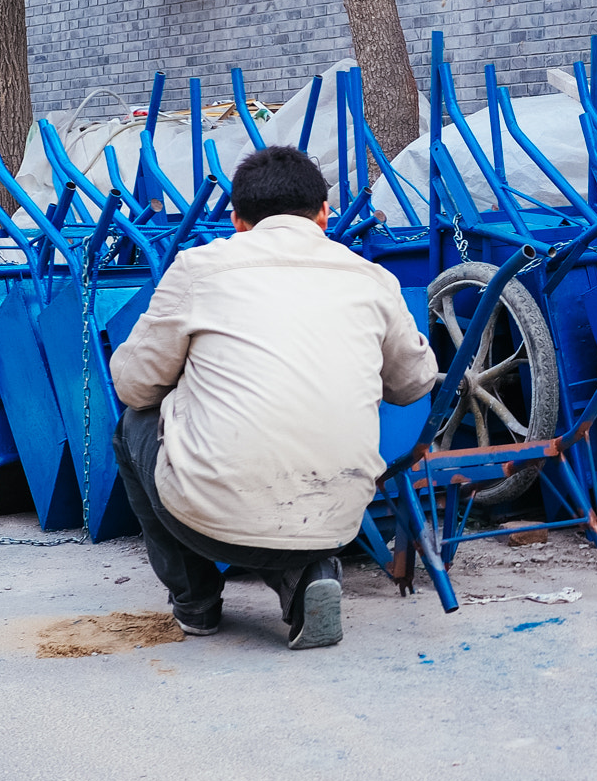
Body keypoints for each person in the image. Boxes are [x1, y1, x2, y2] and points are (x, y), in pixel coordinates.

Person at [109, 144, 438, 649]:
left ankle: (196, 603)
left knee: (132, 424)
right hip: (338, 518)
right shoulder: (372, 279)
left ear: (238, 221)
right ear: (324, 215)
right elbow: (414, 383)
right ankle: (306, 577)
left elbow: (135, 386)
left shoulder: (199, 268)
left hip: (206, 520)